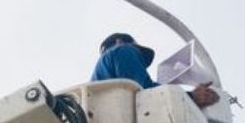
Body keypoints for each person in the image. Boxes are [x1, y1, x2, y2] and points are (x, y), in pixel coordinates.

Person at [90, 32, 219, 108]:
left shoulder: (99, 75)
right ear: (119, 42)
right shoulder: (122, 50)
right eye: (137, 53)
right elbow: (142, 90)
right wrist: (191, 96)